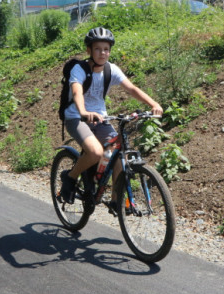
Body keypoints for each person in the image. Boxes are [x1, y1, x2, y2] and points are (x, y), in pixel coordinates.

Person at [59, 27, 163, 204]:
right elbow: (76, 92)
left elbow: (132, 89)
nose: (102, 53)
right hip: (76, 117)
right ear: (89, 50)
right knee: (96, 151)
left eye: (106, 49)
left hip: (100, 118)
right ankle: (70, 177)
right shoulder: (79, 69)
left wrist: (153, 104)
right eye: (98, 49)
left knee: (119, 155)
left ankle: (116, 201)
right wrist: (83, 112)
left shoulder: (111, 69)